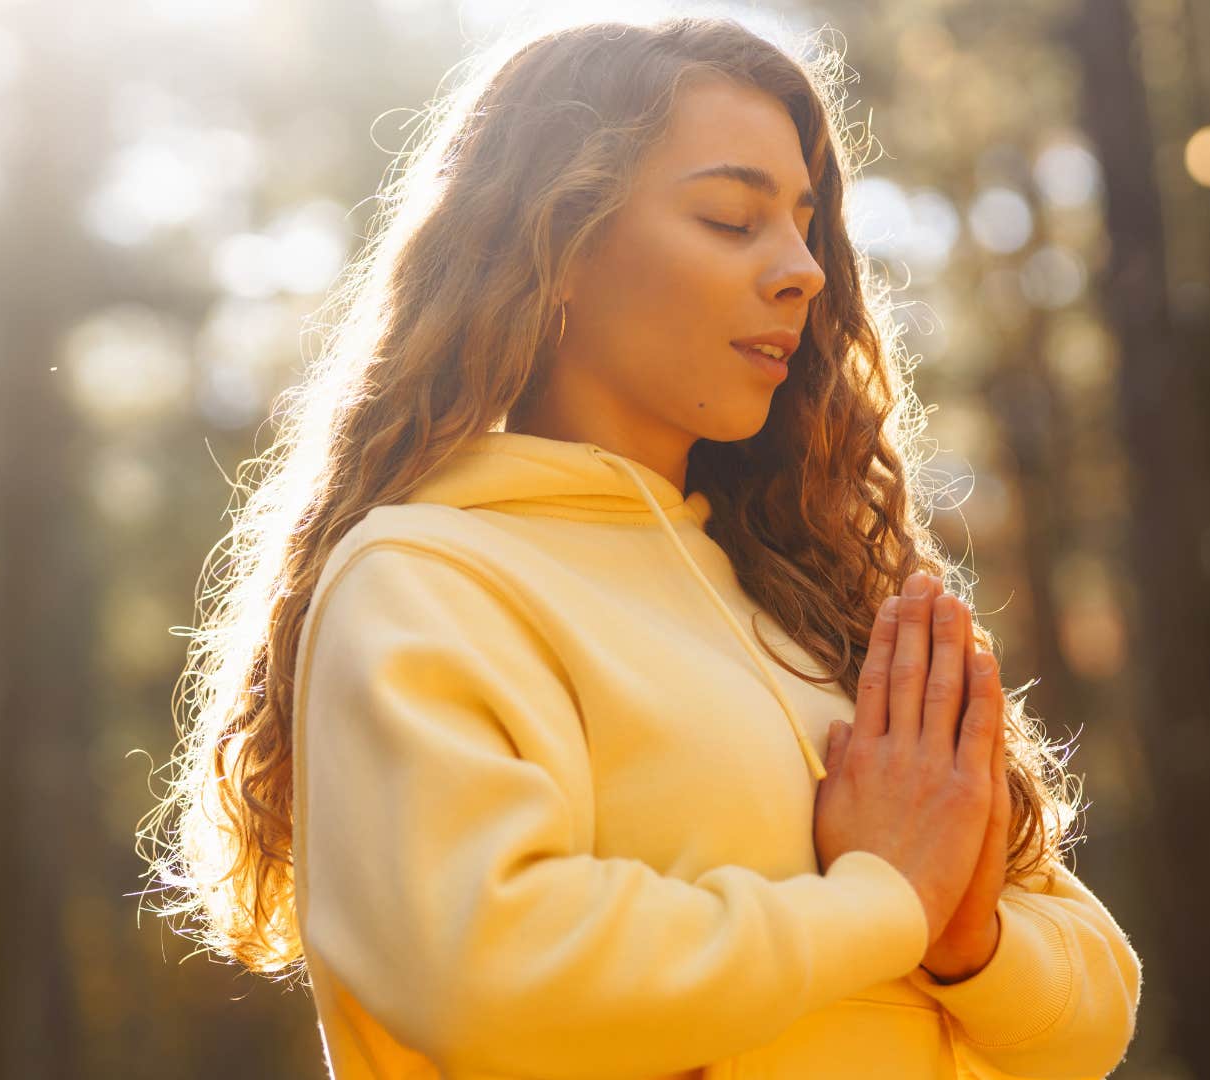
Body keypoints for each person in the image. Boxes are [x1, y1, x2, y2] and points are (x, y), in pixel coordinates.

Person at [138, 13, 1142, 1078]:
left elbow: (1089, 1009)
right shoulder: (428, 580)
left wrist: (964, 941)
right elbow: (492, 970)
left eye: (805, 225)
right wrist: (884, 903)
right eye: (728, 218)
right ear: (553, 248)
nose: (803, 269)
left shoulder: (823, 598)